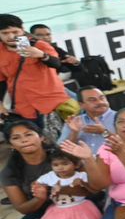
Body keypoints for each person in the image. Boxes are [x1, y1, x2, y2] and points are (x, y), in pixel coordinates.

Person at [0, 14, 73, 142]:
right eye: (5, 33)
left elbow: (57, 64)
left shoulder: (39, 45)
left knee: (65, 142)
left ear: (22, 30)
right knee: (37, 143)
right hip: (24, 107)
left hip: (52, 104)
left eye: (15, 32)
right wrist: (1, 105)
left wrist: (42, 55)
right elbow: (1, 82)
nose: (11, 36)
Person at [62, 85, 116, 155]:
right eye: (92, 100)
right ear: (81, 105)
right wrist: (74, 133)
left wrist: (104, 132)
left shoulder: (121, 117)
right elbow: (62, 152)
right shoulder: (74, 122)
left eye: (102, 98)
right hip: (85, 162)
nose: (100, 102)